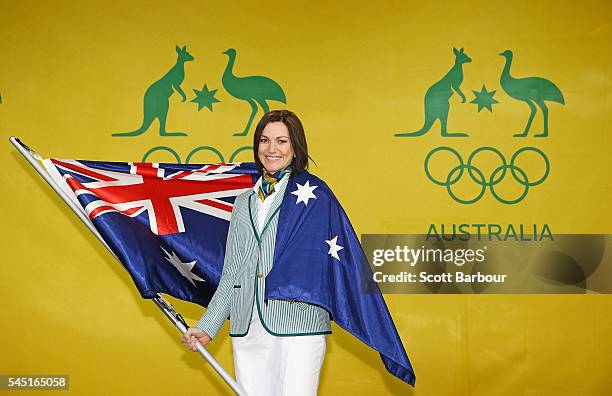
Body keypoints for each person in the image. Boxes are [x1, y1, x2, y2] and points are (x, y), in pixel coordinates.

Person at [181, 110, 331, 396]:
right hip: (248, 324)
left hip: (298, 323)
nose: (271, 149)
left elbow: (322, 261)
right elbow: (233, 270)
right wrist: (208, 325)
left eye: (281, 141)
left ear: (296, 147)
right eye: (264, 140)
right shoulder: (244, 202)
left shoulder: (315, 196)